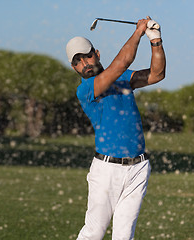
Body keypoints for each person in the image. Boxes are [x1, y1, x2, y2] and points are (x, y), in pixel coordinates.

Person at [65, 16, 166, 240]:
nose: (85, 64)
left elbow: (157, 74)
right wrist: (138, 31)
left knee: (124, 236)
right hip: (107, 171)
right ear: (74, 67)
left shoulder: (123, 80)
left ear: (97, 53)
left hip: (138, 168)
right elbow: (122, 63)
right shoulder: (87, 90)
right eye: (78, 61)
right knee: (94, 233)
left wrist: (155, 39)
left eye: (87, 56)